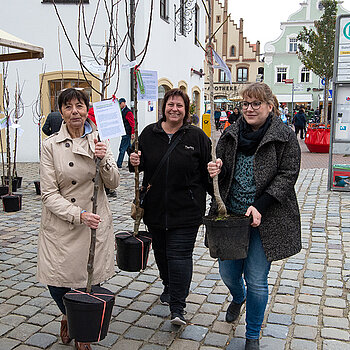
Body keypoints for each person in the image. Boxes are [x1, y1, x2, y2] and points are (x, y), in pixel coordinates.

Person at [207, 82, 301, 350]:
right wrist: (218, 170)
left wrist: (260, 205)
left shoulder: (284, 136)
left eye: (256, 104)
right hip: (232, 218)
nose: (249, 108)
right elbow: (225, 172)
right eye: (246, 103)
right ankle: (238, 297)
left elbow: (287, 175)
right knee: (228, 273)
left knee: (257, 279)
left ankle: (252, 336)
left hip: (266, 218)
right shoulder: (231, 133)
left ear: (269, 106)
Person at [37, 88, 120, 350]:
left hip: (94, 222)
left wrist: (104, 158)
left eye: (80, 106)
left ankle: (82, 332)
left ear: (87, 109)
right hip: (64, 222)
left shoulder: (99, 138)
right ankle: (67, 314)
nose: (75, 111)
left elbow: (114, 182)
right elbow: (48, 194)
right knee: (56, 282)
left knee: (90, 281)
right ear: (60, 111)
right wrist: (78, 214)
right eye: (69, 106)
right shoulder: (50, 145)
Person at [129, 88, 212, 326]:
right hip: (155, 209)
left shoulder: (196, 136)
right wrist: (135, 160)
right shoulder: (148, 133)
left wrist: (216, 184)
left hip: (186, 210)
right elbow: (138, 163)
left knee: (179, 256)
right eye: (170, 104)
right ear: (164, 107)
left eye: (179, 106)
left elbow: (208, 173)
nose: (174, 109)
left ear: (186, 111)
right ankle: (167, 285)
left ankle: (178, 307)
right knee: (162, 254)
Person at [117, 98, 135, 168]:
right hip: (124, 132)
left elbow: (132, 123)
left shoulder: (128, 112)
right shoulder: (122, 111)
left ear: (124, 103)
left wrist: (132, 133)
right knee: (129, 149)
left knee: (122, 149)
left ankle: (119, 164)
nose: (120, 105)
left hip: (127, 133)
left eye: (120, 103)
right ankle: (132, 163)